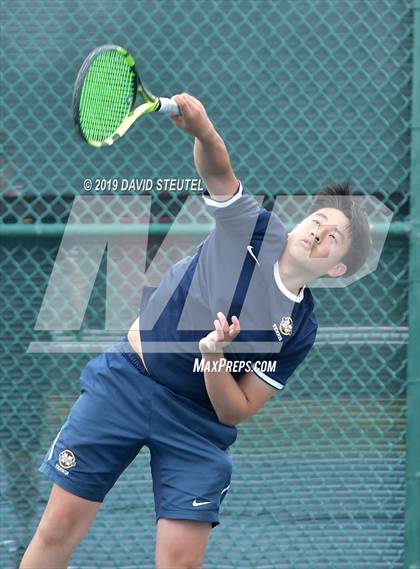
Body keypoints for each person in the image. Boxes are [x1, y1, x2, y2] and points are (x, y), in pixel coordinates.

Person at [20, 93, 371, 569]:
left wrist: (213, 360)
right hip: (128, 381)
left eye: (334, 238)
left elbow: (236, 409)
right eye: (318, 220)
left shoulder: (300, 328)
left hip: (197, 424)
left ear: (337, 268)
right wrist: (205, 133)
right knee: (57, 531)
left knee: (182, 564)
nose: (318, 233)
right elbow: (220, 174)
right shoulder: (255, 230)